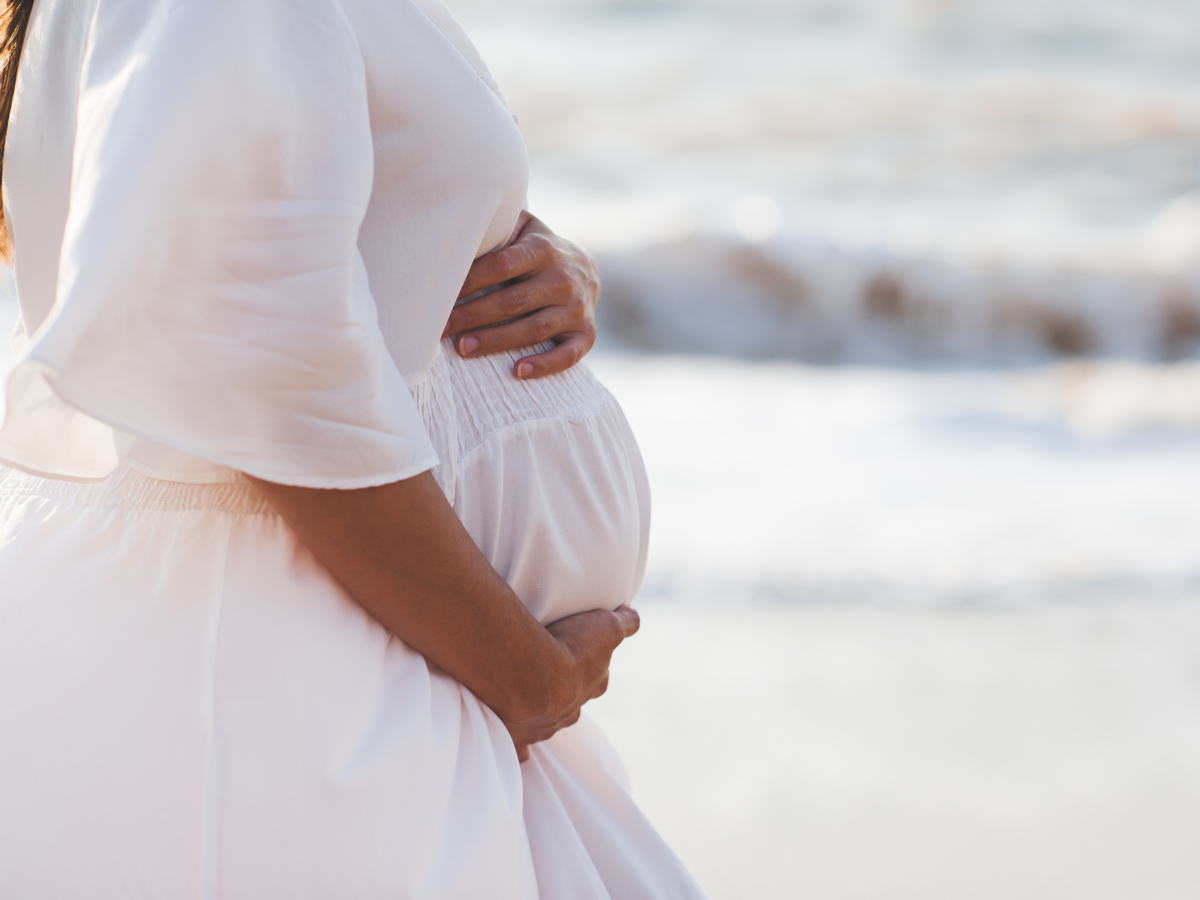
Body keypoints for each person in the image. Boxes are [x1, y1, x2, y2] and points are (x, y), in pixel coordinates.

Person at [0, 0, 707, 897]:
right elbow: (252, 352)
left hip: (377, 661)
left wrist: (536, 258)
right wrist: (518, 671)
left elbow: (303, 237)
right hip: (293, 682)